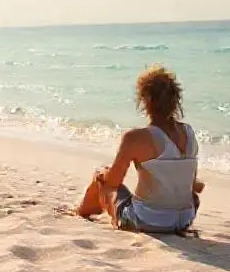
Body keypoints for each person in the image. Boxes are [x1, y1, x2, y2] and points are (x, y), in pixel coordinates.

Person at [76, 65, 204, 233]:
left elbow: (114, 182)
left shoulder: (135, 138)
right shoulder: (189, 133)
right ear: (176, 99)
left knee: (101, 177)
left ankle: (80, 213)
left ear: (145, 100)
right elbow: (195, 186)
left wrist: (103, 174)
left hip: (147, 221)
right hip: (184, 220)